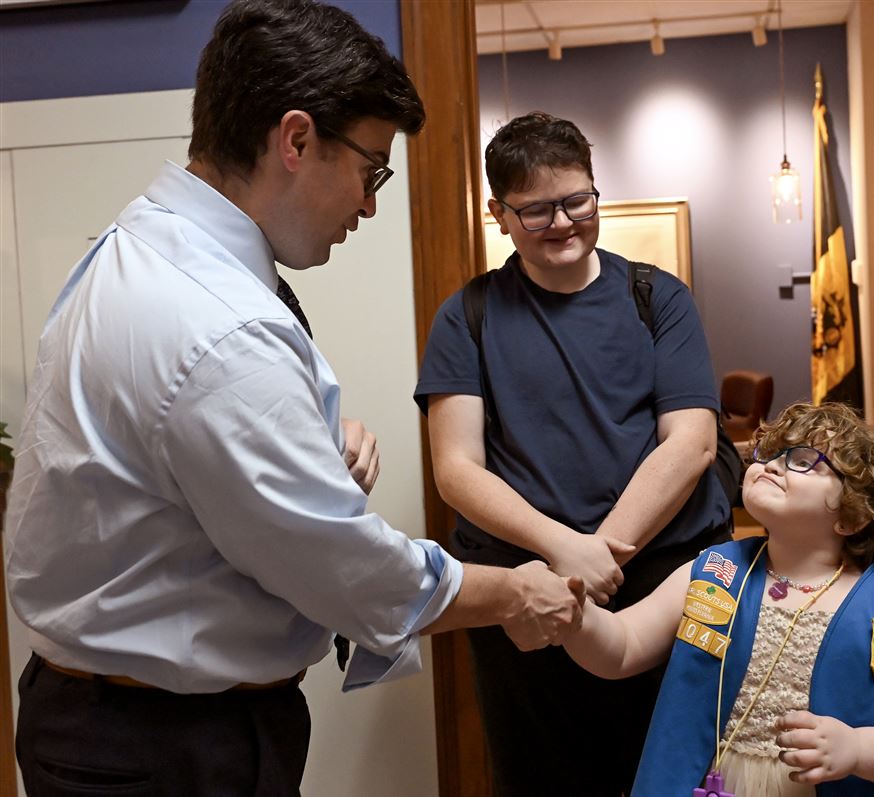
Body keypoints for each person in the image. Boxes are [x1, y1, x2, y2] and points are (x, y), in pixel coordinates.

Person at [3, 2, 582, 794]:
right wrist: (515, 590)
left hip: (115, 719)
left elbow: (176, 435)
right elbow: (346, 566)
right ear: (297, 139)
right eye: (371, 169)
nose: (370, 204)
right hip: (162, 746)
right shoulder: (219, 327)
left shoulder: (143, 247)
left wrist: (305, 437)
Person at [414, 111, 733, 796]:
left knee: (678, 774)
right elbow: (457, 469)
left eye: (577, 200)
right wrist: (566, 549)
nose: (562, 223)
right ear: (497, 213)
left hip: (661, 583)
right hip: (529, 592)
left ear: (596, 191)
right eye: (535, 210)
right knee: (542, 776)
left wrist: (604, 550)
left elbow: (692, 442)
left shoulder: (658, 298)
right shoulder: (467, 315)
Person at [564, 402, 874, 796]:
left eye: (803, 461)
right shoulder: (715, 572)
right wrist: (576, 614)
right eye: (770, 453)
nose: (772, 465)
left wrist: (858, 748)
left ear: (852, 516)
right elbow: (621, 648)